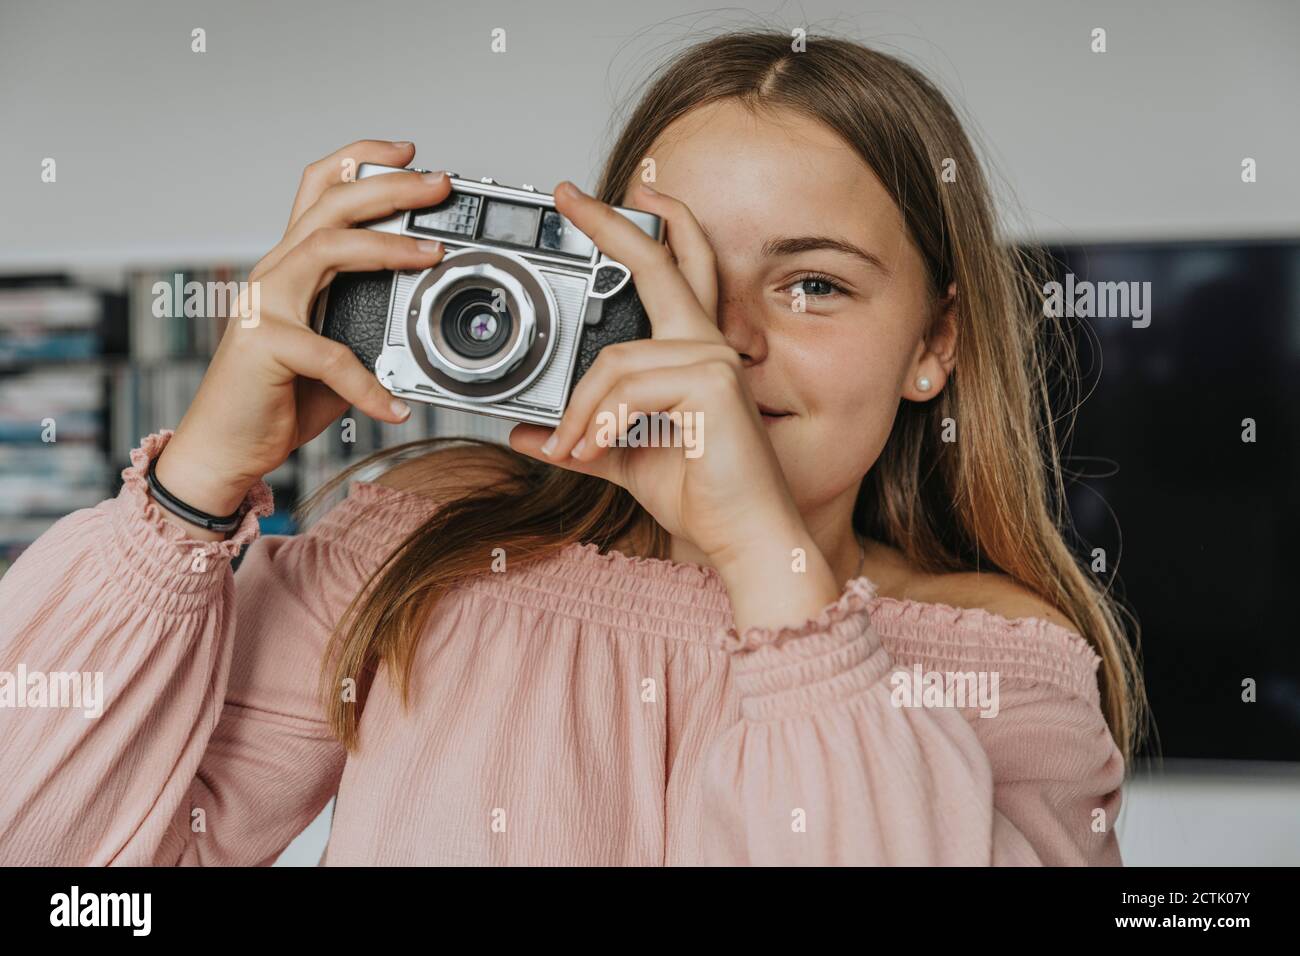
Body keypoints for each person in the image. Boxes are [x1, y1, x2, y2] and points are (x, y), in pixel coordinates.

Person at [0, 30, 1142, 866]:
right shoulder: (426, 552)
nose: (725, 342)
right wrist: (196, 489)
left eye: (811, 284)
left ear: (932, 344)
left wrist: (761, 560)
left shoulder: (1004, 658)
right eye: (677, 276)